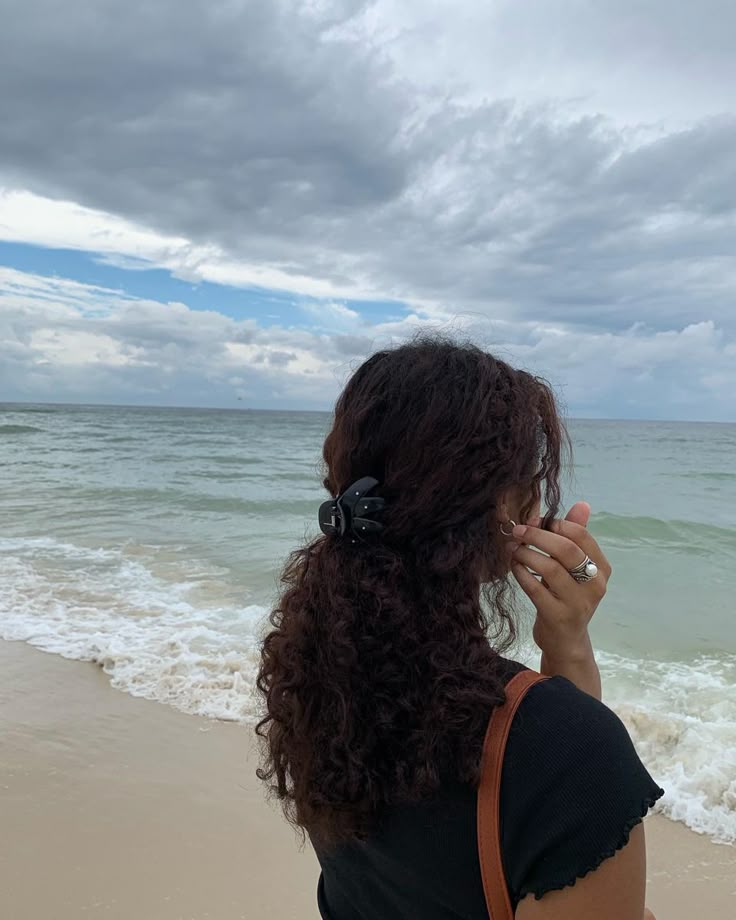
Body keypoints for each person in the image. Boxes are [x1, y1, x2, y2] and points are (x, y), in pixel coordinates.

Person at [257, 336, 663, 919]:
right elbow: (557, 780)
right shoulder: (562, 746)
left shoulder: (320, 668)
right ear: (505, 508)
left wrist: (566, 645)